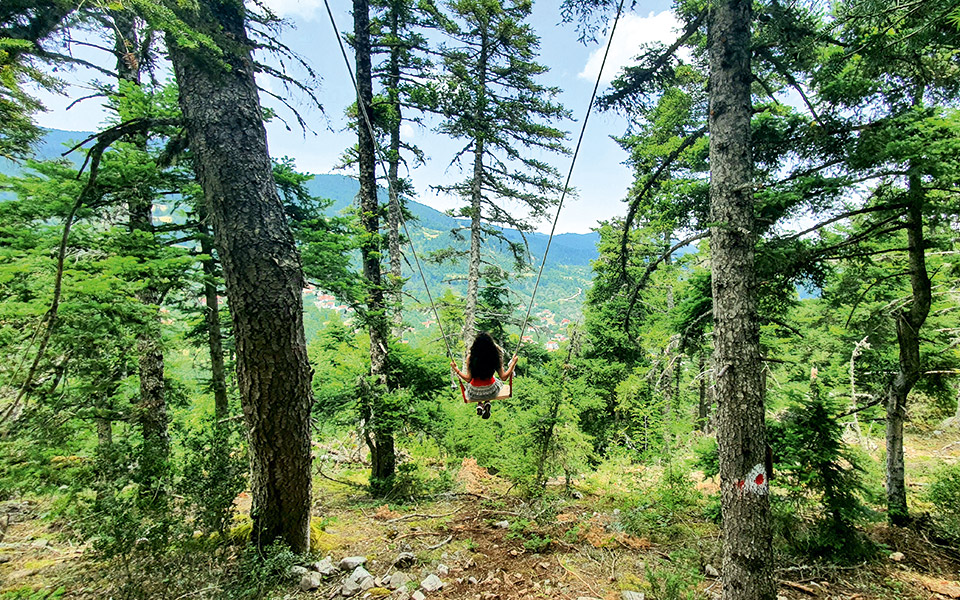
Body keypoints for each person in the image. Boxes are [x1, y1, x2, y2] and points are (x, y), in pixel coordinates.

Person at [450, 331, 518, 419]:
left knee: (475, 385)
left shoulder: (471, 357)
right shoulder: (495, 356)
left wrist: (456, 369)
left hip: (474, 393)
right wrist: (513, 363)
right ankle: (487, 402)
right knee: (494, 381)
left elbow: (468, 379)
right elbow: (504, 377)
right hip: (491, 391)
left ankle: (480, 404)